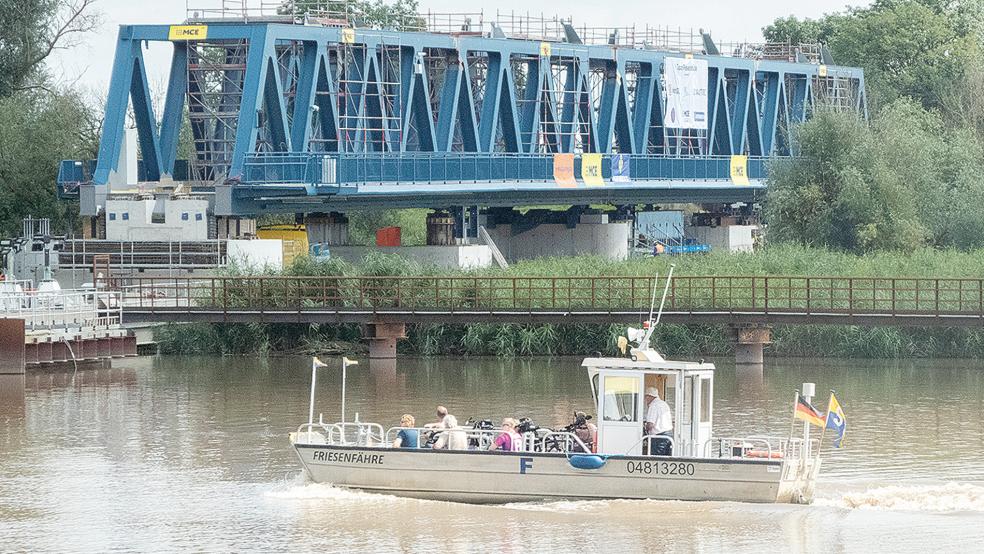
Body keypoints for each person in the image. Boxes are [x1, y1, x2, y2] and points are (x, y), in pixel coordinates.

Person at [644, 387, 673, 456]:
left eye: (646, 396)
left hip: (658, 437)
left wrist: (645, 428)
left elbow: (650, 424)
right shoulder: (664, 404)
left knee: (656, 458)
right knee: (666, 458)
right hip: (669, 435)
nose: (646, 399)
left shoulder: (653, 406)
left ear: (650, 396)